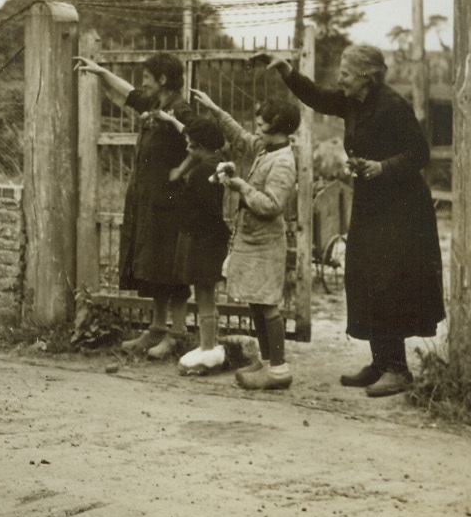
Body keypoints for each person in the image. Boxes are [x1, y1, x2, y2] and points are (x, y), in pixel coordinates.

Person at [256, 44, 445, 397]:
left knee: (390, 280)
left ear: (366, 77)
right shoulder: (352, 101)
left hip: (401, 208)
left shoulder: (392, 105)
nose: (339, 78)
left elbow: (420, 152)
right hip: (373, 201)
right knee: (366, 274)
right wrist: (286, 70)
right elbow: (316, 96)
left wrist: (382, 166)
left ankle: (398, 370)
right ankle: (379, 362)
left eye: (345, 72)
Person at [74, 52, 193, 360]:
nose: (143, 84)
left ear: (163, 80)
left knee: (173, 270)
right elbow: (129, 92)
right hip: (149, 201)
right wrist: (100, 72)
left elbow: (201, 141)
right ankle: (156, 329)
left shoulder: (180, 109)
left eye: (148, 78)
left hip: (172, 204)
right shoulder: (155, 104)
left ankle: (177, 334)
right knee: (154, 267)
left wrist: (178, 166)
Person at [192, 89, 301, 390]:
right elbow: (240, 136)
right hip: (253, 240)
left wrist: (242, 187)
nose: (257, 130)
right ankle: (266, 362)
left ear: (279, 130)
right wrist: (215, 108)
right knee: (256, 301)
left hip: (266, 243)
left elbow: (271, 205)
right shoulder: (267, 149)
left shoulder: (282, 161)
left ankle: (278, 369)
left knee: (267, 304)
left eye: (263, 126)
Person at [151, 112, 231, 375]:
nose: (187, 148)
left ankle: (208, 350)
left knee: (205, 295)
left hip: (201, 240)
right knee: (207, 295)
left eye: (190, 144)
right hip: (210, 239)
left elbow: (199, 209)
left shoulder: (202, 173)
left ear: (200, 145)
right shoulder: (215, 164)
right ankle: (209, 346)